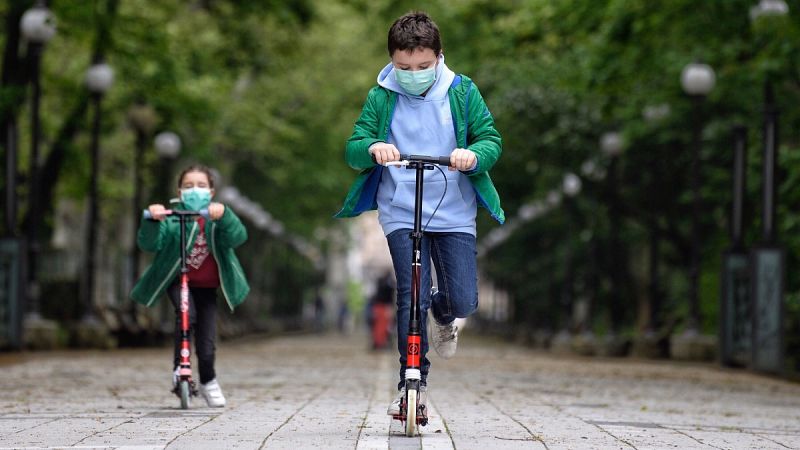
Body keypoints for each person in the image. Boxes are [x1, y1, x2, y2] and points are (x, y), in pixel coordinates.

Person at [335, 11, 504, 417]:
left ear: (439, 56)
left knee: (463, 299)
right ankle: (412, 382)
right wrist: (373, 147)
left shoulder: (462, 92)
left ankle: (444, 315)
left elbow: (490, 140)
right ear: (392, 59)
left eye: (423, 66)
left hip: (453, 211)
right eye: (403, 67)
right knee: (410, 296)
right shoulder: (381, 94)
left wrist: (473, 155)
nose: (413, 74)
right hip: (401, 210)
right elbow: (354, 145)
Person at [130, 164, 250, 407]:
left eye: (201, 185)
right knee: (186, 315)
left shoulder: (216, 218)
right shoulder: (171, 219)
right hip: (179, 281)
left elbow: (238, 237)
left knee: (207, 341)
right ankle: (180, 368)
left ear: (212, 191)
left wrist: (225, 215)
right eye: (188, 186)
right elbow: (150, 244)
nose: (195, 190)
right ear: (180, 191)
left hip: (207, 288)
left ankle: (208, 380)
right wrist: (153, 220)